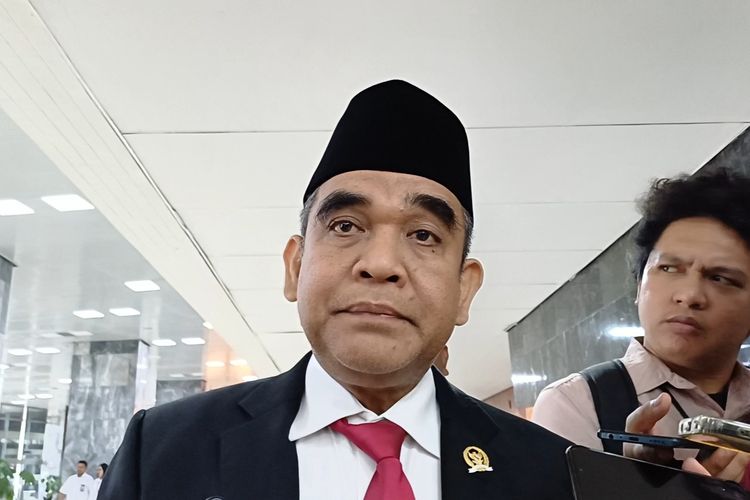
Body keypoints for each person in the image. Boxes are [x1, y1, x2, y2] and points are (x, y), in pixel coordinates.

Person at [99, 80, 575, 499]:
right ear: (295, 266)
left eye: (423, 234)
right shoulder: (164, 449)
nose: (381, 264)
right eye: (346, 225)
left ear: (464, 289)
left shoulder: (551, 471)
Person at [532, 169, 750, 487]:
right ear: (638, 285)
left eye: (720, 278)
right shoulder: (577, 403)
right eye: (669, 268)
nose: (689, 295)